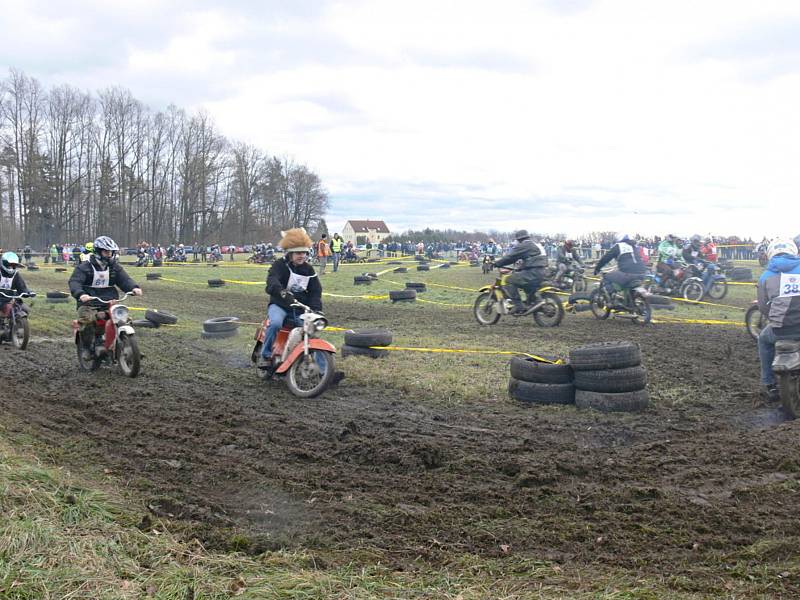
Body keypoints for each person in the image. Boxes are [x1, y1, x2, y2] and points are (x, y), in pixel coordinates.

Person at [68, 236, 142, 362]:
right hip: (89, 302)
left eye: (111, 252)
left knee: (124, 320)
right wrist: (81, 294)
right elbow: (74, 282)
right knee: (87, 321)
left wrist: (134, 288)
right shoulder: (84, 267)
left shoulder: (114, 267)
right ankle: (86, 348)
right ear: (97, 251)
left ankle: (129, 346)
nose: (109, 255)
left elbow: (124, 280)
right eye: (106, 252)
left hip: (110, 301)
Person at [257, 228, 322, 368]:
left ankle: (323, 370)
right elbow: (272, 282)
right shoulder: (279, 265)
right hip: (280, 305)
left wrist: (316, 309)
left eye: (304, 253)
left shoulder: (309, 270)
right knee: (275, 324)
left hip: (300, 308)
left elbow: (316, 291)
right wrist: (283, 293)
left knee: (312, 332)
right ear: (290, 253)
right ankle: (265, 355)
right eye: (299, 253)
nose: (302, 256)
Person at [756, 238, 800, 402]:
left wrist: (776, 318)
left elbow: (762, 307)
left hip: (780, 329)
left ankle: (769, 383)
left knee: (763, 339)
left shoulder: (765, 276)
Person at [492, 230, 548, 314]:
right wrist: (518, 269)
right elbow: (530, 260)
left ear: (519, 239)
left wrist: (496, 263)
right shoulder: (534, 245)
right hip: (542, 271)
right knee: (523, 281)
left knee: (508, 280)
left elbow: (510, 257)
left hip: (533, 272)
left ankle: (518, 306)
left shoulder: (523, 245)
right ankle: (534, 301)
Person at [0, 251, 31, 318]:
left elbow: (21, 286)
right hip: (0, 298)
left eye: (13, 265)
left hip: (11, 298)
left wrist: (27, 292)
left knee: (25, 309)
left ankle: (17, 324)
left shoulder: (16, 274)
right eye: (9, 265)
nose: (11, 267)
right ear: (4, 263)